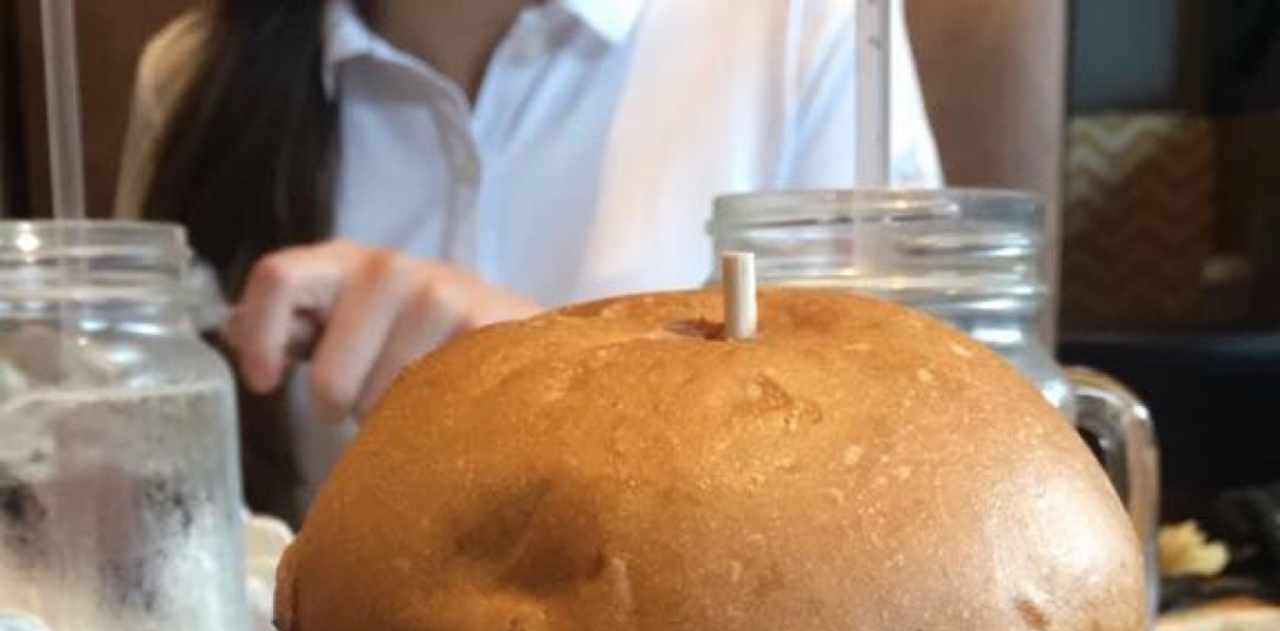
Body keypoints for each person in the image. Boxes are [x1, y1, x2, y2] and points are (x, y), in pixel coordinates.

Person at [118, 0, 941, 522]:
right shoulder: (196, 70)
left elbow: (891, 480)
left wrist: (551, 372)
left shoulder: (807, 26)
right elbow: (139, 482)